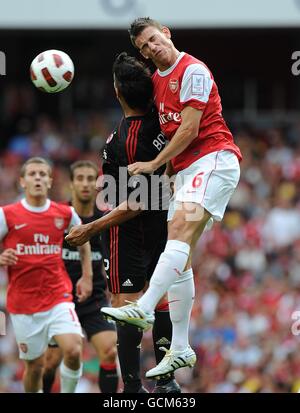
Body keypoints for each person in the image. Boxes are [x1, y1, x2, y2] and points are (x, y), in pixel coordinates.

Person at [99, 17, 242, 380]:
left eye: (152, 40)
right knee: (181, 255)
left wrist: (154, 164)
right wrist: (168, 174)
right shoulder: (157, 82)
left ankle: (144, 307)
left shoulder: (192, 70)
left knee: (177, 232)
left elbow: (191, 128)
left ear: (166, 33)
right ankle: (179, 347)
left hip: (214, 159)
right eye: (143, 48)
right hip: (187, 171)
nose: (150, 50)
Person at [66, 52, 180, 393]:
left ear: (118, 93)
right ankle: (166, 380)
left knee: (126, 307)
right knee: (161, 299)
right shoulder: (167, 122)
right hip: (162, 226)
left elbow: (140, 200)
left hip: (127, 234)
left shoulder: (124, 140)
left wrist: (92, 227)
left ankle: (132, 388)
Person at [0, 157, 93, 393]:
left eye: (43, 174)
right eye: (32, 174)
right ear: (22, 181)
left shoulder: (65, 213)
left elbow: (84, 241)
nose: (38, 178)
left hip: (57, 296)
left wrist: (87, 276)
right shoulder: (7, 215)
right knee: (35, 366)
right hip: (23, 304)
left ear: (50, 181)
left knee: (73, 349)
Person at [42, 160, 118, 393]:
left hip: (94, 299)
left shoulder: (105, 221)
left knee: (110, 351)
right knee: (51, 362)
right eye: (80, 178)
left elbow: (115, 258)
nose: (85, 184)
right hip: (59, 299)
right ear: (71, 184)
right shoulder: (56, 216)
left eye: (89, 179)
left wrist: (116, 291)